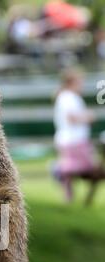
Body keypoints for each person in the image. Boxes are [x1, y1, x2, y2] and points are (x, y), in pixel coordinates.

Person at [53, 69, 96, 202]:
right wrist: (88, 117)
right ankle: (57, 169)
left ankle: (70, 197)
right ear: (71, 82)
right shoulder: (69, 97)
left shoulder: (67, 97)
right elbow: (72, 118)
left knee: (73, 173)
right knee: (88, 169)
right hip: (74, 140)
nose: (82, 84)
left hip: (71, 139)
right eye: (79, 81)